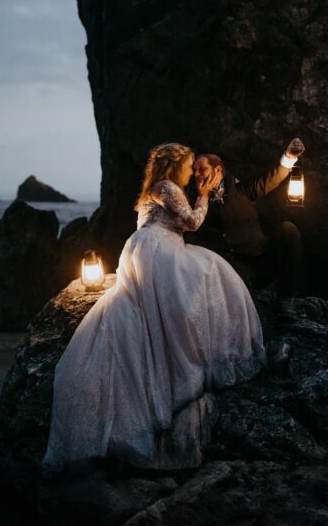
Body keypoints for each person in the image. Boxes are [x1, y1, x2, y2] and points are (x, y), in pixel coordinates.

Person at [41, 142, 266, 476]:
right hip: (158, 251)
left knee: (200, 276)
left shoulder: (158, 189)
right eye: (189, 165)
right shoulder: (166, 187)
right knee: (207, 273)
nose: (192, 172)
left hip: (149, 248)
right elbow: (191, 223)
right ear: (175, 166)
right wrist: (203, 194)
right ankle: (191, 361)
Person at [186, 138, 306, 320]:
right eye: (194, 170)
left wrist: (289, 157)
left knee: (288, 229)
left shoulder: (242, 190)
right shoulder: (192, 201)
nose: (197, 174)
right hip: (227, 268)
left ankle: (287, 301)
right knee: (251, 313)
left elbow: (270, 179)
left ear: (218, 170)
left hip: (258, 260)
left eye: (202, 169)